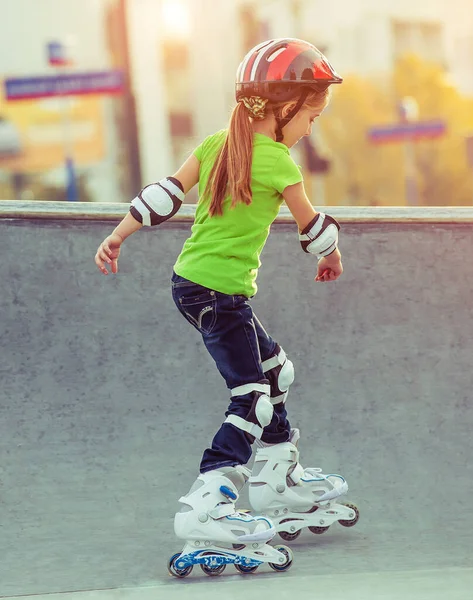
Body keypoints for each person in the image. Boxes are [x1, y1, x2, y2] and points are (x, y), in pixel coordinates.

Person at [94, 38, 357, 577]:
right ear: (283, 109)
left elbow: (164, 195)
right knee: (253, 396)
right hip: (218, 295)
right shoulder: (279, 162)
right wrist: (331, 258)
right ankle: (206, 504)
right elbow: (312, 227)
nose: (313, 126)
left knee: (276, 370)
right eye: (312, 114)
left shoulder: (217, 143)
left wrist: (117, 236)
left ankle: (276, 478)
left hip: (194, 287)